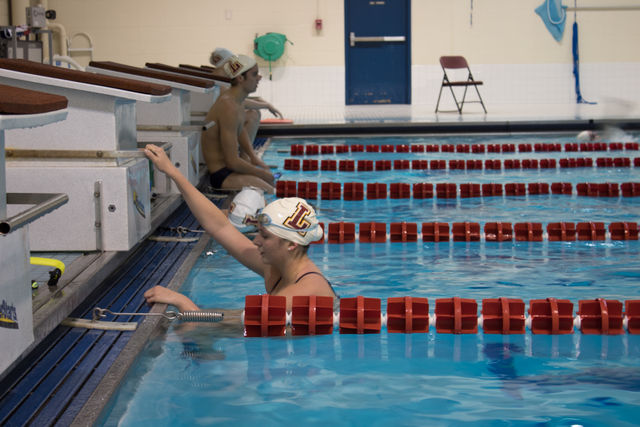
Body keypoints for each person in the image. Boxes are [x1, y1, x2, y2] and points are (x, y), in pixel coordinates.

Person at [143, 143, 337, 313]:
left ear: (292, 245)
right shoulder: (280, 267)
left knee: (195, 338)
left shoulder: (303, 292)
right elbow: (220, 227)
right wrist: (172, 172)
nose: (255, 240)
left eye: (265, 236)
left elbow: (230, 323)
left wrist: (181, 300)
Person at [201, 53, 275, 193]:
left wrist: (254, 158)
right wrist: (260, 173)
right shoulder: (228, 106)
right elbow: (232, 161)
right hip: (221, 175)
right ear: (241, 78)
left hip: (230, 169)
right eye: (254, 74)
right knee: (268, 190)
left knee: (270, 184)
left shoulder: (237, 100)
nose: (259, 77)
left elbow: (240, 132)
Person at [209, 48, 283, 164]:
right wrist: (265, 105)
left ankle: (246, 155)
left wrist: (258, 100)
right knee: (253, 115)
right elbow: (236, 102)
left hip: (221, 119)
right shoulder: (220, 79)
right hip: (220, 123)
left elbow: (236, 99)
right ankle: (245, 156)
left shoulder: (222, 77)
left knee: (251, 113)